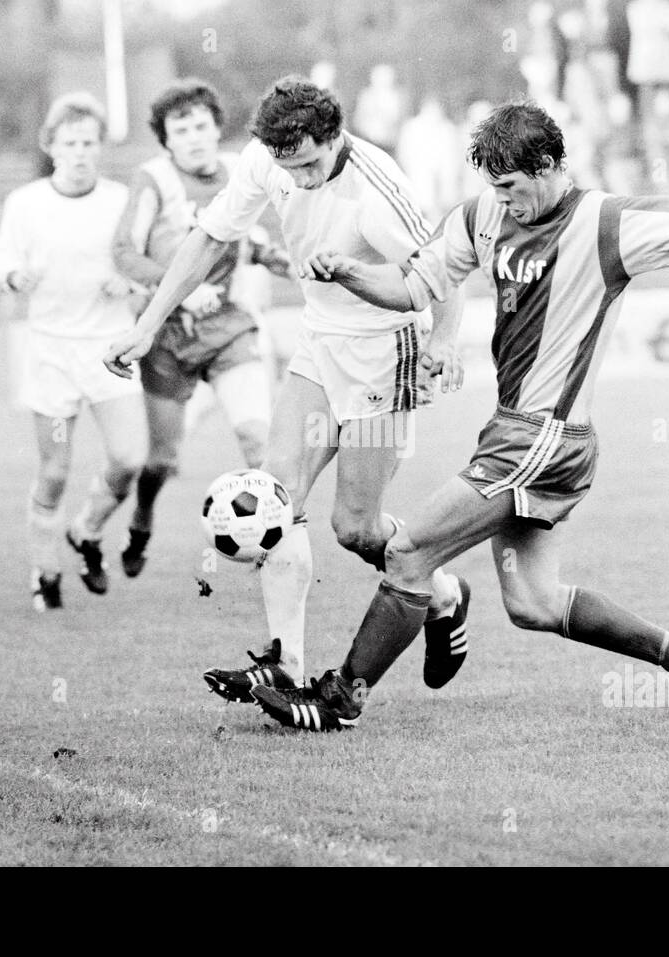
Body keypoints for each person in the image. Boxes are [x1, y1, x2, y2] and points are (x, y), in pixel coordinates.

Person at [251, 101, 669, 731]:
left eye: (511, 187)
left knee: (409, 553)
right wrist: (351, 273)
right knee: (533, 604)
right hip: (520, 436)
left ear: (550, 165)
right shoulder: (482, 216)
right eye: (492, 187)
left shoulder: (607, 223)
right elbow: (413, 288)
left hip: (542, 438)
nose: (502, 202)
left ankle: (339, 699)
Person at [103, 76, 468, 701]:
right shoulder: (263, 158)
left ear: (334, 138)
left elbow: (445, 273)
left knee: (353, 527)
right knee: (275, 497)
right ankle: (285, 665)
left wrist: (441, 343)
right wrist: (146, 325)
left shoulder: (379, 189)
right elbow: (210, 238)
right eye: (286, 165)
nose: (297, 178)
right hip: (318, 343)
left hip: (387, 352)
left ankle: (444, 595)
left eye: (310, 165)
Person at [111, 80, 291, 577]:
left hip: (229, 329)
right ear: (166, 140)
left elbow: (238, 235)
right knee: (162, 460)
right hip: (166, 335)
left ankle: (275, 552)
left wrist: (274, 256)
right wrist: (181, 289)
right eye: (180, 129)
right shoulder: (152, 181)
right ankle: (142, 519)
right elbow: (124, 253)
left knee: (259, 441)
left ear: (217, 129)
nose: (193, 136)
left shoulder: (240, 171)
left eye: (201, 125)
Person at [0, 92, 145, 611]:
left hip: (110, 348)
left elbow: (144, 269)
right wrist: (15, 276)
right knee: (55, 471)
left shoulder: (121, 200)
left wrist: (130, 285)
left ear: (100, 148)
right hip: (51, 352)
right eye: (70, 142)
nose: (80, 151)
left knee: (129, 458)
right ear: (51, 146)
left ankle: (87, 528)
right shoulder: (26, 203)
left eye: (89, 142)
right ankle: (44, 569)